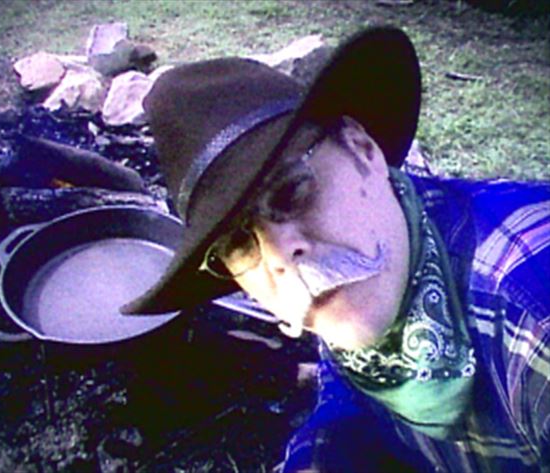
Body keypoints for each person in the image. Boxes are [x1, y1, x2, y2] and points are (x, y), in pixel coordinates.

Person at [120, 26, 550, 472]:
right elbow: (348, 396)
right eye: (240, 244)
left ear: (363, 150)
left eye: (291, 193)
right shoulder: (364, 272)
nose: (282, 256)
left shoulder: (534, 306)